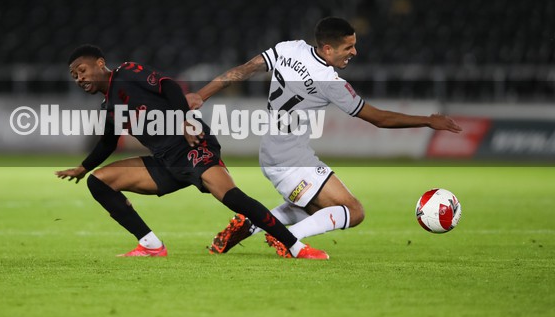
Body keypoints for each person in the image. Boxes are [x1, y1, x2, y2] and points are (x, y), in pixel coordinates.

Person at [187, 17, 462, 256]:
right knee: (353, 212)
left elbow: (243, 70)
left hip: (271, 151)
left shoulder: (287, 48)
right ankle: (287, 238)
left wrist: (201, 95)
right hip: (291, 157)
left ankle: (252, 223)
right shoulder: (330, 82)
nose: (354, 52)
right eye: (348, 47)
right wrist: (428, 120)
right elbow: (379, 118)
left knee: (314, 207)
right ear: (328, 48)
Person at [55, 44, 329, 259]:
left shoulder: (126, 73)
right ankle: (151, 245)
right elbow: (108, 142)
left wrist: (184, 122)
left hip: (191, 145)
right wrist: (83, 167)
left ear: (100, 64)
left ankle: (295, 247)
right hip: (165, 162)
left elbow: (169, 86)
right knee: (99, 182)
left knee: (233, 198)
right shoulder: (109, 106)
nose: (79, 78)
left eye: (82, 70)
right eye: (74, 75)